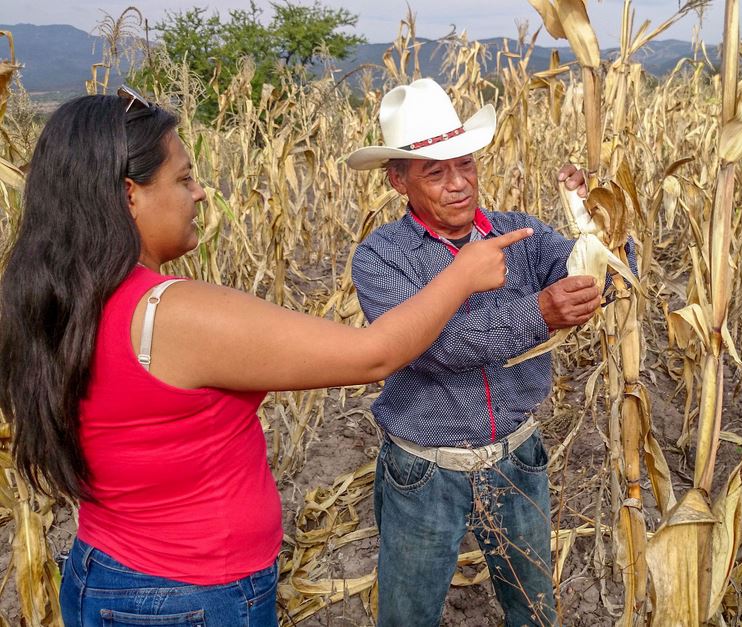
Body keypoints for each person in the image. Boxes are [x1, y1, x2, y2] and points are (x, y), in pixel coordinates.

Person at [0, 88, 533, 627]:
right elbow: (373, 356)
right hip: (189, 598)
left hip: (106, 571)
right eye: (184, 178)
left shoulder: (60, 298)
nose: (201, 193)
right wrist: (463, 276)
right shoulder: (172, 314)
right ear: (129, 194)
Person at [345, 78, 620, 627]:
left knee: (535, 609)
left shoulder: (521, 232)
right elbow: (435, 348)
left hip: (518, 457)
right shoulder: (380, 257)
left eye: (465, 165)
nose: (458, 185)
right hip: (425, 469)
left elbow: (595, 273)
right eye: (435, 171)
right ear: (397, 179)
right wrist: (537, 312)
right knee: (408, 616)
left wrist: (599, 219)